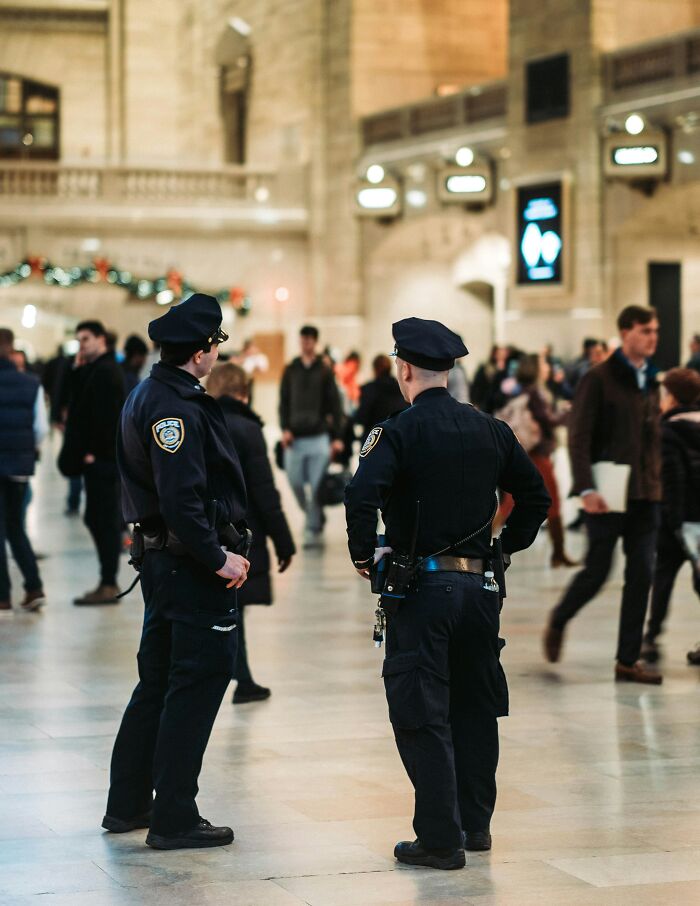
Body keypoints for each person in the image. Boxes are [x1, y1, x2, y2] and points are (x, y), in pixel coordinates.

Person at [345, 317, 550, 871]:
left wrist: (365, 557)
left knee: (422, 709)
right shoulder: (492, 429)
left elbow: (361, 494)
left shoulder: (397, 431)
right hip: (481, 589)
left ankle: (440, 838)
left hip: (422, 590)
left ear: (404, 368)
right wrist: (505, 549)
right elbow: (535, 497)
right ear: (451, 371)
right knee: (475, 707)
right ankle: (474, 825)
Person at [103, 294, 249, 850]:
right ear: (201, 351)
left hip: (164, 563)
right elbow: (182, 499)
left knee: (159, 681)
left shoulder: (153, 393)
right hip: (188, 568)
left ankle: (128, 804)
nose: (215, 353)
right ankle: (175, 817)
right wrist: (218, 557)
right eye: (214, 344)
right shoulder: (175, 408)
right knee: (197, 682)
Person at [543, 305, 663, 684]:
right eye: (645, 330)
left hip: (645, 494)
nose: (652, 337)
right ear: (625, 332)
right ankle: (560, 618)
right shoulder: (598, 379)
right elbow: (578, 436)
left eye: (655, 330)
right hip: (607, 493)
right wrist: (587, 488)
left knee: (642, 571)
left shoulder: (652, 380)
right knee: (598, 570)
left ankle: (627, 660)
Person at [207, 362, 295, 703]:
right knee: (233, 608)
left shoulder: (202, 422)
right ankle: (239, 678)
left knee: (226, 609)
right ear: (244, 392)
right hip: (240, 534)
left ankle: (242, 677)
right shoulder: (246, 428)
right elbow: (263, 490)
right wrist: (284, 541)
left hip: (205, 533)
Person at [58, 320, 126, 604]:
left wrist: (95, 453)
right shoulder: (95, 370)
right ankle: (106, 580)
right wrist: (76, 369)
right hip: (98, 460)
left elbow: (108, 419)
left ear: (101, 340)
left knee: (105, 521)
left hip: (103, 461)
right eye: (79, 340)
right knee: (96, 518)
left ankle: (109, 582)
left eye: (86, 339)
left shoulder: (107, 372)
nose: (81, 345)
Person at [641, 368, 700, 663]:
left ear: (673, 397)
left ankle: (650, 638)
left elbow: (673, 480)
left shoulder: (668, 431)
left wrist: (673, 523)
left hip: (680, 520)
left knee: (663, 577)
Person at [497, 354, 577, 567]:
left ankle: (559, 553)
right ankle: (558, 553)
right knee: (550, 500)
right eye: (543, 364)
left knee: (511, 502)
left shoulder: (524, 391)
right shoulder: (535, 393)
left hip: (529, 451)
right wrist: (567, 416)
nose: (547, 367)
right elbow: (547, 420)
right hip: (536, 454)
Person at [279, 325, 344, 548]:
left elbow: (335, 404)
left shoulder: (324, 370)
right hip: (295, 438)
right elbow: (284, 401)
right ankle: (314, 516)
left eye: (308, 340)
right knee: (295, 482)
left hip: (318, 437)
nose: (305, 343)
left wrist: (337, 437)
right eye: (302, 340)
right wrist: (285, 428)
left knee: (317, 487)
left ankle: (311, 528)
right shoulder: (291, 369)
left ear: (314, 342)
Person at [0, 329, 47, 614]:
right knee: (16, 527)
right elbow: (39, 429)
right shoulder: (30, 383)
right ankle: (33, 586)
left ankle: (2, 595)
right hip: (18, 467)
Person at [354, 354, 407, 443]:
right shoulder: (402, 389)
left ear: (375, 369)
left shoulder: (370, 389)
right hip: (397, 439)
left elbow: (362, 416)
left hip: (373, 439)